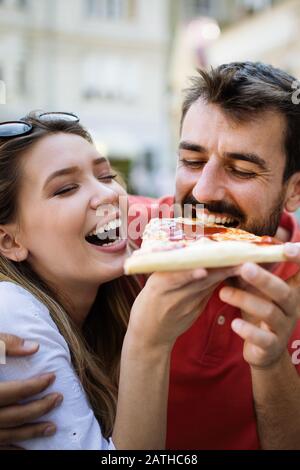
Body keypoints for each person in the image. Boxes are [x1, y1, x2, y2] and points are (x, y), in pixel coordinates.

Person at [2, 61, 300, 450]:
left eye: (241, 169)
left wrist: (272, 363)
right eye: (192, 162)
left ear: (294, 190)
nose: (205, 191)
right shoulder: (126, 233)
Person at [0, 112, 235, 450]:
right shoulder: (12, 311)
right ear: (10, 241)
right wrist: (149, 341)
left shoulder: (123, 273)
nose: (108, 195)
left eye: (107, 175)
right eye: (66, 188)